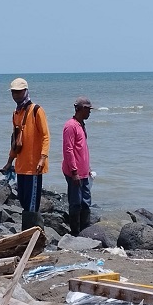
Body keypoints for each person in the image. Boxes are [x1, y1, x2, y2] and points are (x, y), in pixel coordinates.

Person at [0, 78, 50, 230]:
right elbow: (16, 141)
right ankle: (28, 233)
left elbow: (46, 136)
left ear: (26, 91)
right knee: (23, 200)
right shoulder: (16, 113)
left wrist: (43, 158)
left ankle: (33, 235)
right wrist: (9, 162)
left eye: (18, 92)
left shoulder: (36, 110)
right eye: (13, 92)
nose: (15, 95)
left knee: (32, 204)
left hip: (34, 167)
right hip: (21, 166)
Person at [62, 96, 93, 235]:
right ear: (81, 109)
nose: (90, 112)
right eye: (88, 109)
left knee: (86, 201)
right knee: (76, 202)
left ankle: (85, 230)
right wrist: (74, 172)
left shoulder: (81, 125)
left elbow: (82, 149)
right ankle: (75, 232)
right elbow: (68, 150)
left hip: (84, 172)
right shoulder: (71, 126)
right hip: (74, 172)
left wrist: (88, 168)